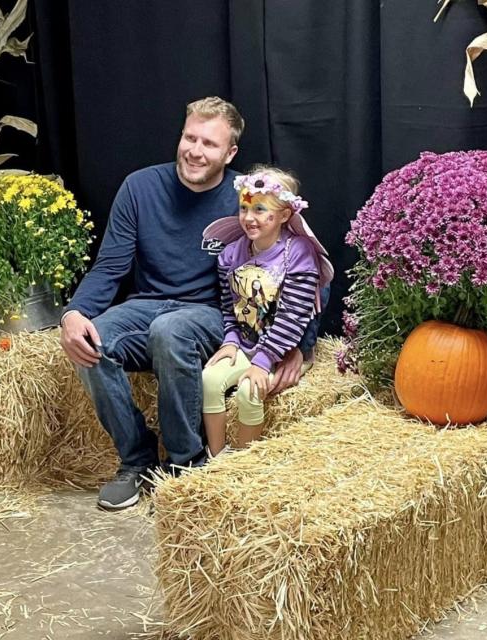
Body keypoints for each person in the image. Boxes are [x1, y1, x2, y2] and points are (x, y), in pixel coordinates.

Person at [59, 97, 322, 511]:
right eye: (190, 138)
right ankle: (136, 461)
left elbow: (295, 264)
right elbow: (110, 266)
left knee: (172, 330)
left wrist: (300, 346)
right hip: (147, 304)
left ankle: (186, 463)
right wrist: (74, 313)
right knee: (94, 339)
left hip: (213, 314)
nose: (196, 151)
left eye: (210, 144)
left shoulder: (247, 200)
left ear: (230, 152)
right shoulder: (139, 187)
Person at [200, 166, 334, 457]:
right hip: (247, 343)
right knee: (209, 379)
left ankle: (243, 461)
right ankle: (217, 458)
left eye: (260, 209)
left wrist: (262, 361)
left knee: (250, 390)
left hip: (280, 348)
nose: (249, 218)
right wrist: (231, 342)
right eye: (244, 208)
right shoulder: (231, 254)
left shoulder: (298, 253)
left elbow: (293, 316)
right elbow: (229, 307)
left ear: (285, 214)